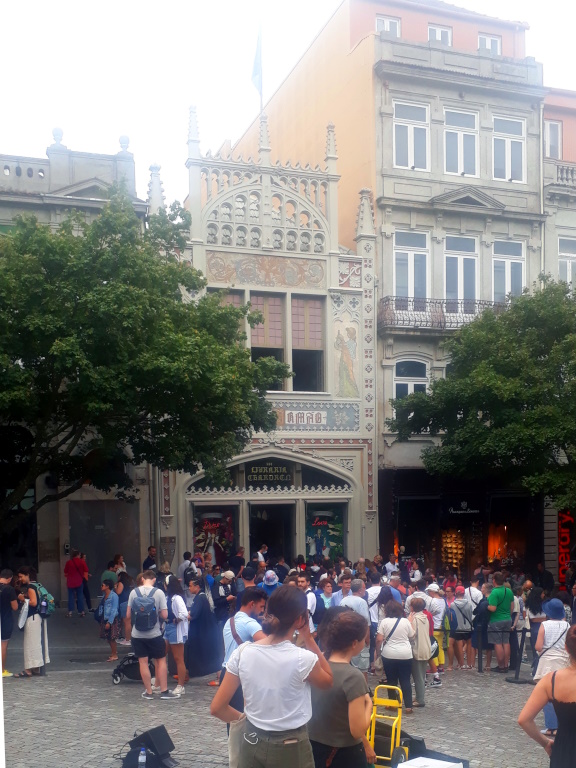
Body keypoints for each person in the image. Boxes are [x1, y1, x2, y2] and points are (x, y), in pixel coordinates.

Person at [210, 585, 333, 768]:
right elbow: (328, 680)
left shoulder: (243, 652)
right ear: (301, 619)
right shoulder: (303, 659)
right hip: (290, 745)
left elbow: (217, 708)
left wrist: (248, 722)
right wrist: (308, 638)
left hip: (251, 739)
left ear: (267, 611)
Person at [308, 609, 375, 768]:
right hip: (344, 754)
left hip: (313, 747)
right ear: (354, 643)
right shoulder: (353, 676)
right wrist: (369, 706)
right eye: (363, 638)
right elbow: (357, 731)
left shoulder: (316, 665)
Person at [518, 624, 576, 765]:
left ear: (566, 648)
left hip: (563, 752)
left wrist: (545, 742)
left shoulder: (551, 680)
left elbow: (524, 720)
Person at [126, 569, 179, 700]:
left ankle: (148, 692)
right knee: (160, 661)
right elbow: (165, 615)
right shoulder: (159, 592)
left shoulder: (133, 592)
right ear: (154, 580)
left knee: (143, 662)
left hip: (137, 635)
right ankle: (164, 691)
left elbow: (127, 615)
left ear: (143, 578)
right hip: (154, 634)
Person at [220, 587, 267, 717]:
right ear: (252, 604)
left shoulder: (229, 622)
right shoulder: (250, 623)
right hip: (241, 675)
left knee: (232, 721)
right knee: (244, 719)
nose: (262, 610)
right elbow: (269, 646)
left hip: (226, 672)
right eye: (261, 606)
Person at [531, 598, 571, 737]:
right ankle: (561, 724)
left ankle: (551, 727)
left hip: (547, 664)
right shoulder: (567, 626)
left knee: (547, 696)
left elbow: (538, 646)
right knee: (561, 695)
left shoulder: (545, 625)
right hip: (563, 663)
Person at [375, 599, 415, 713]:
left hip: (389, 654)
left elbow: (379, 639)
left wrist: (378, 652)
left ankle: (393, 703)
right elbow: (412, 635)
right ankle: (408, 706)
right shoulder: (405, 621)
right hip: (405, 654)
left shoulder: (384, 622)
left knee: (391, 680)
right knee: (405, 680)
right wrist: (410, 622)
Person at [14, 566, 50, 678]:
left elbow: (33, 602)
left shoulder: (30, 587)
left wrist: (21, 598)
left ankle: (28, 670)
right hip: (39, 617)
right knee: (36, 643)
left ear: (28, 575)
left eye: (21, 576)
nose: (20, 579)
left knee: (30, 643)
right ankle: (36, 668)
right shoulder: (38, 585)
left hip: (32, 617)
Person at [185, 575, 222, 679]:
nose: (189, 588)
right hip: (205, 630)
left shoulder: (200, 598)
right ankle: (186, 673)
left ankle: (219, 676)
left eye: (190, 585)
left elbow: (193, 615)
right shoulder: (201, 597)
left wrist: (183, 615)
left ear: (197, 586)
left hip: (203, 632)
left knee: (210, 653)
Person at [164, 575, 189, 696]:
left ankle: (181, 685)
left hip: (175, 628)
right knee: (161, 654)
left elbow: (184, 613)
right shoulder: (167, 597)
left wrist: (176, 620)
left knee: (178, 658)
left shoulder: (177, 598)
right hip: (167, 628)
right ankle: (159, 682)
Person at [341, 579, 371, 680]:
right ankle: (363, 691)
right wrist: (367, 639)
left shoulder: (343, 600)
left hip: (345, 638)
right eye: (364, 587)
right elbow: (365, 622)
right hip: (359, 638)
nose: (365, 589)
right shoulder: (361, 602)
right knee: (362, 669)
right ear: (360, 590)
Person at [486, 571, 514, 672]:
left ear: (494, 581)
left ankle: (501, 666)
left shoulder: (494, 592)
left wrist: (487, 606)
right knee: (506, 642)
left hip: (496, 619)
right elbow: (512, 607)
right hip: (507, 619)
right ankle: (506, 665)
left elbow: (493, 608)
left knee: (497, 643)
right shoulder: (509, 591)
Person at [408, 597, 432, 707]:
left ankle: (420, 699)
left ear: (412, 607)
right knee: (421, 675)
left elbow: (412, 635)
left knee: (418, 677)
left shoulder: (415, 619)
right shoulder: (425, 617)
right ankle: (419, 697)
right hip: (425, 648)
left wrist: (409, 622)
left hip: (417, 649)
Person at [450, 586, 473, 670]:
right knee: (469, 644)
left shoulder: (453, 604)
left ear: (456, 593)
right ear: (464, 593)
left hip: (458, 627)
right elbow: (470, 615)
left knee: (459, 645)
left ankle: (462, 664)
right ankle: (469, 664)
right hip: (468, 627)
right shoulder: (469, 604)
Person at [472, 583, 494, 671]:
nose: (481, 589)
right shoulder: (490, 600)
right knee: (488, 646)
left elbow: (477, 611)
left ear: (486, 589)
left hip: (481, 623)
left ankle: (473, 664)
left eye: (483, 588)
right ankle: (487, 664)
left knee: (475, 644)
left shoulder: (485, 601)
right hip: (488, 623)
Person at [0, 569, 18, 677]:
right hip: (5, 620)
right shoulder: (9, 589)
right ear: (10, 578)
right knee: (3, 645)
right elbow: (15, 607)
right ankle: (2, 670)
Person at [425, 583, 446, 672]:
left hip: (434, 626)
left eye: (429, 591)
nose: (428, 593)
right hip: (441, 626)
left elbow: (431, 612)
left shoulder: (433, 601)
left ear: (432, 591)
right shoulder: (443, 600)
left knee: (433, 647)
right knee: (440, 646)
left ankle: (435, 666)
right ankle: (441, 665)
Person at [99, 578, 120, 662]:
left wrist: (109, 622)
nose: (101, 586)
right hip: (105, 617)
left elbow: (114, 609)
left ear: (107, 586)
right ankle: (113, 652)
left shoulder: (113, 596)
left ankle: (115, 654)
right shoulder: (105, 596)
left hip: (111, 619)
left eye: (103, 585)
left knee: (112, 637)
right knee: (108, 637)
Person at [64, 548, 88, 617]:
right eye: (80, 555)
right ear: (77, 555)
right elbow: (86, 569)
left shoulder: (69, 562)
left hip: (70, 582)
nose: (80, 556)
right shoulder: (82, 562)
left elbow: (65, 571)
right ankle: (82, 611)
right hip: (79, 581)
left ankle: (70, 612)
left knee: (70, 596)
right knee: (80, 596)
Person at [526, 586, 548, 658]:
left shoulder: (529, 604)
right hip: (543, 626)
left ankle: (536, 663)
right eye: (542, 593)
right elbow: (545, 617)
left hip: (534, 627)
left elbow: (531, 618)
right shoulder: (544, 604)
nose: (543, 595)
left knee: (535, 648)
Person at [115, 571, 134, 645]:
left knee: (126, 622)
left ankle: (128, 639)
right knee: (128, 622)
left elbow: (118, 592)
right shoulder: (129, 583)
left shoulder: (121, 583)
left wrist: (116, 587)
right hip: (128, 602)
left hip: (123, 603)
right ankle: (129, 638)